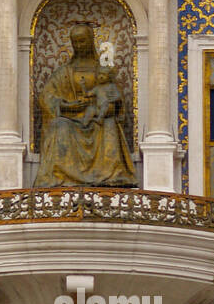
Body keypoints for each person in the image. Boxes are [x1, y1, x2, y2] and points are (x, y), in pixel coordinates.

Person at [35, 24, 137, 188]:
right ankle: (62, 177)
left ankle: (113, 176)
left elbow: (115, 96)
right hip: (70, 118)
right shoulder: (63, 73)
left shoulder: (103, 71)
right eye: (75, 42)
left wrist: (111, 106)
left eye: (82, 41)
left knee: (110, 125)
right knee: (59, 126)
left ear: (90, 42)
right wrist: (67, 106)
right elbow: (46, 97)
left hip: (99, 117)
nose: (79, 46)